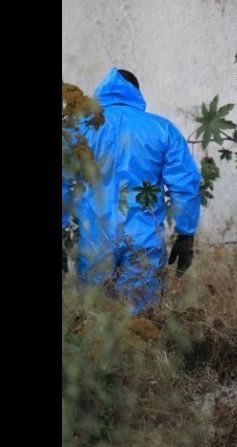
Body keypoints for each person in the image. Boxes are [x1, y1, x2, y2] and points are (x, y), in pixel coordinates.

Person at [62, 68, 201, 312]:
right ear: (136, 92)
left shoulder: (78, 129)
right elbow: (185, 184)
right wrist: (185, 234)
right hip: (144, 239)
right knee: (140, 322)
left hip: (94, 239)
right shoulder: (161, 129)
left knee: (95, 320)